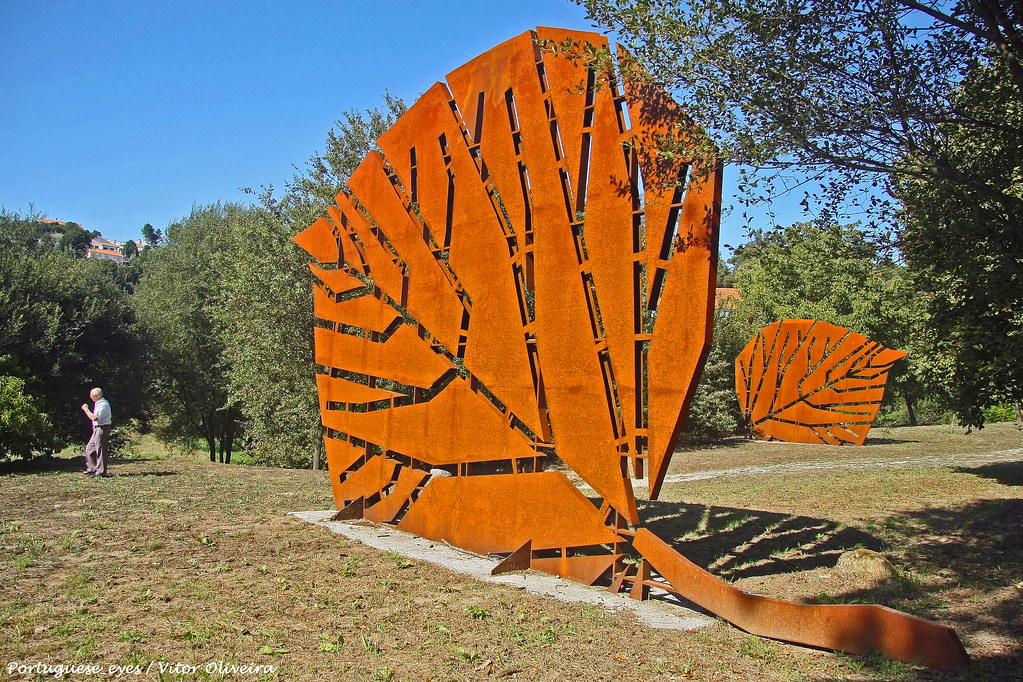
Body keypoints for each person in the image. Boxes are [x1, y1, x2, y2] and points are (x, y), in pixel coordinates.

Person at [81, 387, 112, 478]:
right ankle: (92, 469)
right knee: (89, 449)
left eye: (92, 396)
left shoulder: (103, 404)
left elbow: (95, 417)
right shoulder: (99, 404)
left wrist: (86, 409)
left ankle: (101, 472)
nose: (91, 397)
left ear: (96, 396)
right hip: (97, 428)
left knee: (100, 450)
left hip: (102, 429)